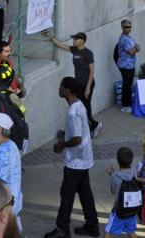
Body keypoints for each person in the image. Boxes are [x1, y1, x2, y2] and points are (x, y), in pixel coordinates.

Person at [47, 76, 99, 238]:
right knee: (85, 193)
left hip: (76, 161)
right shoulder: (79, 105)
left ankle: (62, 229)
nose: (59, 89)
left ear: (68, 90)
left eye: (61, 86)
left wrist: (61, 144)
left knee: (66, 195)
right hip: (84, 158)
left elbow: (76, 138)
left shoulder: (73, 111)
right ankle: (92, 226)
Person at [50, 31, 100, 135]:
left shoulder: (88, 53)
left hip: (87, 84)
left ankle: (94, 126)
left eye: (76, 39)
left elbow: (92, 71)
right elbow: (61, 45)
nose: (74, 41)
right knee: (80, 105)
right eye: (73, 39)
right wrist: (51, 37)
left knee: (86, 106)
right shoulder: (74, 50)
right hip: (78, 83)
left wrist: (88, 88)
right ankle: (87, 126)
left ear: (82, 41)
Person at [104, 146, 141, 237]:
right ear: (131, 160)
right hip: (132, 209)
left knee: (108, 231)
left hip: (119, 211)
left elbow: (113, 191)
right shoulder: (134, 171)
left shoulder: (115, 176)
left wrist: (112, 174)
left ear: (118, 161)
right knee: (131, 232)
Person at [115, 19, 140, 113]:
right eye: (126, 27)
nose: (128, 29)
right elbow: (132, 51)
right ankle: (125, 105)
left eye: (129, 27)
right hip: (125, 66)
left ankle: (128, 103)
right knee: (126, 85)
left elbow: (137, 47)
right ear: (122, 27)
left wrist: (136, 48)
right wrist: (136, 49)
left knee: (128, 84)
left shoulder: (129, 37)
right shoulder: (124, 39)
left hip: (130, 65)